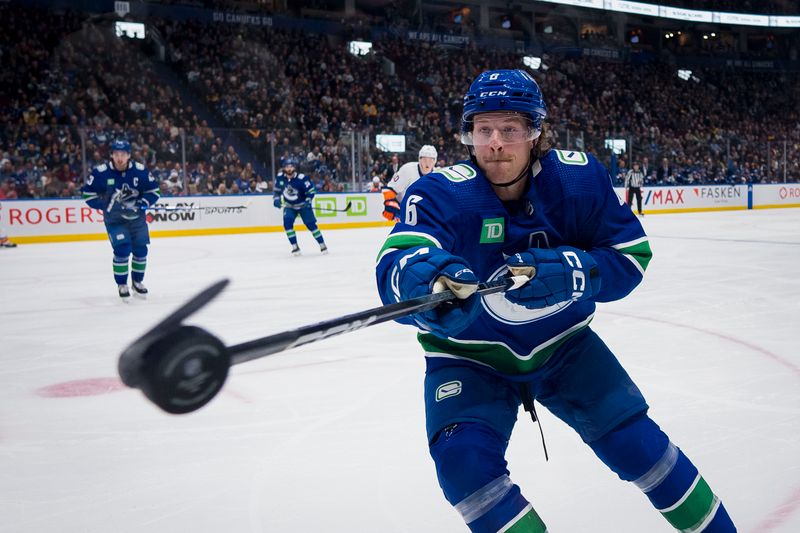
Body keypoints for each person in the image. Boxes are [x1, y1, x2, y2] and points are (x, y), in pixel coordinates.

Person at [375, 70, 735, 532]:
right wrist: (424, 281)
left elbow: (631, 255)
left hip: (566, 347)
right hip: (468, 358)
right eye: (483, 129)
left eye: (510, 129)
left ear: (535, 132)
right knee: (463, 465)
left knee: (644, 450)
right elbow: (399, 258)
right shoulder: (441, 192)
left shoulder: (577, 181)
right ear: (469, 135)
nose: (496, 143)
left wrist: (575, 272)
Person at [81, 139, 160, 300]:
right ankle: (122, 284)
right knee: (122, 249)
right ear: (111, 155)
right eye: (116, 154)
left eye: (123, 154)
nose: (119, 158)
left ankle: (137, 282)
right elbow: (87, 194)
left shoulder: (140, 171)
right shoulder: (101, 173)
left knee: (141, 250)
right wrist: (108, 204)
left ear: (129, 155)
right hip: (115, 220)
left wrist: (142, 202)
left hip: (137, 220)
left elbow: (154, 191)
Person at [273, 157, 327, 256]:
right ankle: (295, 247)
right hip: (289, 206)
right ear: (284, 168)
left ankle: (322, 244)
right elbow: (276, 191)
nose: (289, 169)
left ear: (294, 167)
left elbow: (311, 191)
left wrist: (308, 200)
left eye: (291, 166)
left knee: (311, 226)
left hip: (303, 206)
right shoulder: (280, 177)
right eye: (287, 166)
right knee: (287, 224)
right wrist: (276, 200)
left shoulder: (302, 178)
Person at [382, 145, 438, 222]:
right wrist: (391, 204)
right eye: (424, 159)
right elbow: (390, 188)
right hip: (404, 213)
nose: (427, 163)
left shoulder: (438, 175)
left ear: (435, 161)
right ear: (419, 159)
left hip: (425, 216)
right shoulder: (408, 169)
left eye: (431, 160)